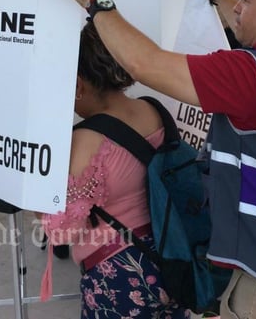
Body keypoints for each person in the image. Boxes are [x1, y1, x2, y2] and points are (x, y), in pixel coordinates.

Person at [48, 0, 256, 318]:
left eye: (246, 0)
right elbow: (247, 17)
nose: (236, 8)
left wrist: (96, 1)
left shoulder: (251, 73)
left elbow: (146, 64)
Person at [41, 23, 186, 318]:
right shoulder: (155, 109)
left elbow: (62, 231)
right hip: (174, 257)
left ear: (79, 84)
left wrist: (33, 192)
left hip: (118, 273)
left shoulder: (84, 140)